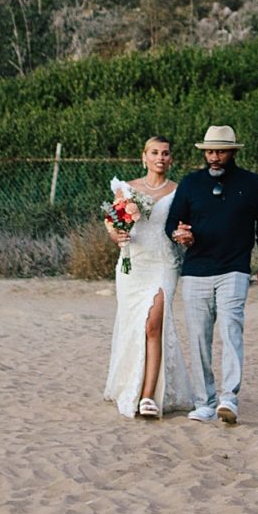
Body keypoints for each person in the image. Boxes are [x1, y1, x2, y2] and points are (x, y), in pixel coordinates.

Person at [166, 124, 258, 425]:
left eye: (221, 151)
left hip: (235, 269)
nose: (214, 157)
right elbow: (172, 223)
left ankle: (228, 398)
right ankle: (204, 402)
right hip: (196, 271)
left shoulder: (252, 184)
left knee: (231, 331)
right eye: (210, 152)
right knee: (199, 337)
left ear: (232, 152)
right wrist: (180, 234)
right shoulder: (190, 184)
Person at [100, 135, 195, 419]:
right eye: (154, 152)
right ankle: (129, 384)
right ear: (144, 157)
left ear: (171, 159)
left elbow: (184, 225)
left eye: (165, 153)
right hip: (133, 264)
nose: (160, 158)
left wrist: (185, 235)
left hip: (163, 263)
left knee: (154, 324)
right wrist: (116, 234)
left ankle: (147, 396)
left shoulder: (180, 191)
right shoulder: (127, 188)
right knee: (133, 325)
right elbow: (111, 221)